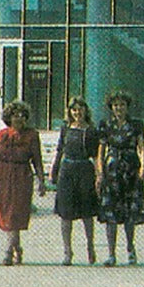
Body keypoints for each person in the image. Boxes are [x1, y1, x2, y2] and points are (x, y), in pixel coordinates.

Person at [94, 89, 144, 265]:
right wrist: (100, 172)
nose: (119, 108)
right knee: (110, 213)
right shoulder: (105, 125)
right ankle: (111, 253)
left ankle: (130, 248)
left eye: (122, 105)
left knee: (129, 213)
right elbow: (101, 150)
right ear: (111, 107)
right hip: (112, 172)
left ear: (127, 106)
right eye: (116, 105)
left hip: (130, 171)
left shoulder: (136, 125)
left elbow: (141, 146)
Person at [0, 99, 46, 266]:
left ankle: (8, 251)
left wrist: (41, 181)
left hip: (22, 177)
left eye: (22, 115)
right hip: (3, 177)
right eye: (15, 115)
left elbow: (37, 159)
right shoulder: (1, 135)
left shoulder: (32, 135)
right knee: (6, 214)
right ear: (9, 117)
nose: (18, 118)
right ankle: (17, 248)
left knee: (15, 214)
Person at [51, 96, 100, 265]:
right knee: (66, 214)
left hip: (84, 170)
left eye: (80, 109)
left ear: (86, 111)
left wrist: (99, 175)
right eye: (74, 110)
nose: (77, 113)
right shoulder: (65, 129)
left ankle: (90, 246)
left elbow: (95, 155)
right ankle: (67, 251)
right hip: (67, 170)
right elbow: (60, 150)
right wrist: (54, 170)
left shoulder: (91, 131)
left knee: (87, 212)